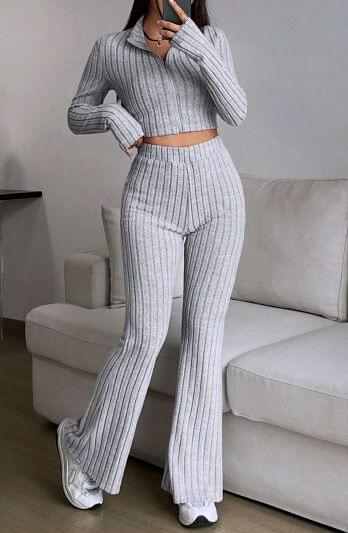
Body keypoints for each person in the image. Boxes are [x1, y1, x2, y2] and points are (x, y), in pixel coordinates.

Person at [56, 0, 247, 527]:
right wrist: (109, 114)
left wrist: (198, 49)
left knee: (204, 336)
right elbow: (76, 112)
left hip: (218, 197)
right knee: (143, 334)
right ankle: (82, 451)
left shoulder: (212, 38)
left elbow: (236, 111)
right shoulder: (112, 49)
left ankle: (196, 484)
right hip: (150, 199)